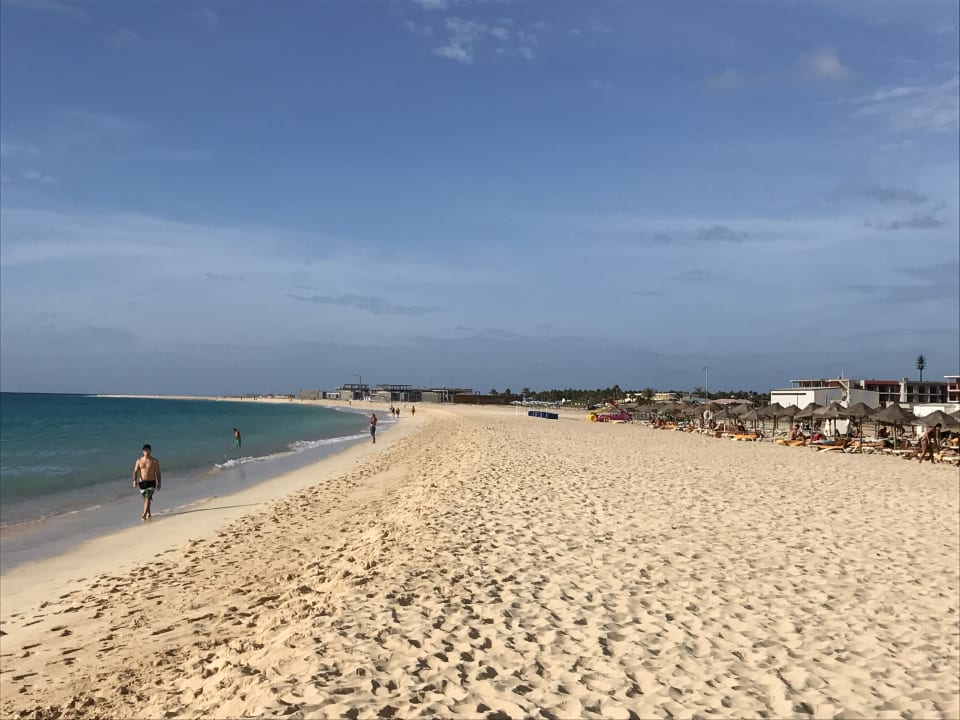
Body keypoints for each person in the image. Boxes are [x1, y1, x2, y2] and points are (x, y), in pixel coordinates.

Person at [133, 444, 161, 520]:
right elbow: (135, 471)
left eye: (148, 450)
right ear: (143, 451)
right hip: (142, 483)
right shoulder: (139, 461)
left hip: (151, 482)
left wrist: (159, 482)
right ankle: (149, 513)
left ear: (150, 451)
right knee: (145, 499)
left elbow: (158, 472)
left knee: (148, 497)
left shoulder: (154, 461)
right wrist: (134, 480)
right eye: (145, 451)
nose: (147, 452)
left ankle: (144, 514)